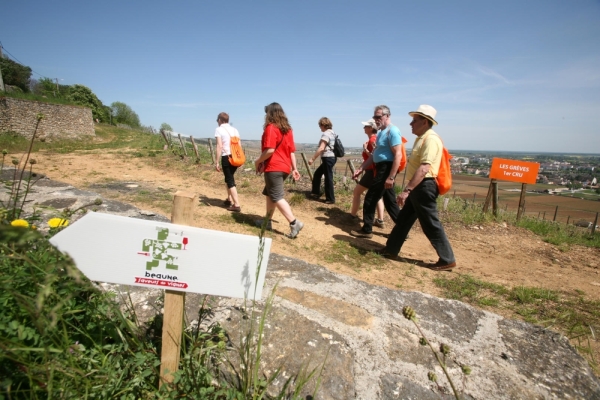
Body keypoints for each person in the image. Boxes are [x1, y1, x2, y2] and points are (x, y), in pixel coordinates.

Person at [379, 105, 456, 271]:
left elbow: (424, 168)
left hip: (424, 186)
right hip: (419, 186)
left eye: (415, 120)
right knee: (403, 220)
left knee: (430, 223)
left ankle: (447, 259)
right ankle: (391, 250)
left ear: (425, 122)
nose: (411, 123)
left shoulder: (431, 139)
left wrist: (407, 190)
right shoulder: (422, 138)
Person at [350, 105, 402, 239]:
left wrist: (391, 176)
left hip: (386, 169)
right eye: (375, 117)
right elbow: (374, 155)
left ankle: (367, 230)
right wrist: (361, 168)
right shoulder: (381, 132)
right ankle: (403, 228)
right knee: (390, 201)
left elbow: (398, 155)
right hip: (380, 167)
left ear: (387, 116)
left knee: (370, 198)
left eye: (378, 116)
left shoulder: (393, 131)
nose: (376, 119)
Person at [254, 102, 304, 238]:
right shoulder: (288, 130)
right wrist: (294, 168)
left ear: (270, 114)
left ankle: (294, 223)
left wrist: (258, 161)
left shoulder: (271, 128)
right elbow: (291, 151)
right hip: (285, 168)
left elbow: (270, 150)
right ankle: (267, 221)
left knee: (276, 196)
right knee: (270, 194)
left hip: (273, 168)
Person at [349, 119, 385, 227]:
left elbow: (375, 158)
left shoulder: (371, 140)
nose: (363, 128)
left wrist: (365, 150)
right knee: (377, 196)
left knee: (356, 192)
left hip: (370, 171)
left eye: (365, 126)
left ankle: (352, 215)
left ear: (370, 128)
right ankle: (380, 220)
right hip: (376, 172)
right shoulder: (377, 139)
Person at [214, 112, 241, 212]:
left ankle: (237, 205)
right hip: (235, 157)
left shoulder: (219, 129)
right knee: (228, 178)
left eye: (217, 120)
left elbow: (219, 146)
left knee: (230, 181)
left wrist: (216, 161)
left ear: (220, 120)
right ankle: (229, 199)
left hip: (226, 157)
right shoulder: (235, 130)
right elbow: (239, 145)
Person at [308, 117, 337, 204]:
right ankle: (316, 193)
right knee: (318, 174)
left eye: (320, 125)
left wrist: (312, 159)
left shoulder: (326, 134)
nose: (320, 127)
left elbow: (321, 148)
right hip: (332, 157)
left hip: (327, 158)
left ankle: (330, 199)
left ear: (323, 125)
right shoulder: (333, 133)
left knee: (328, 178)